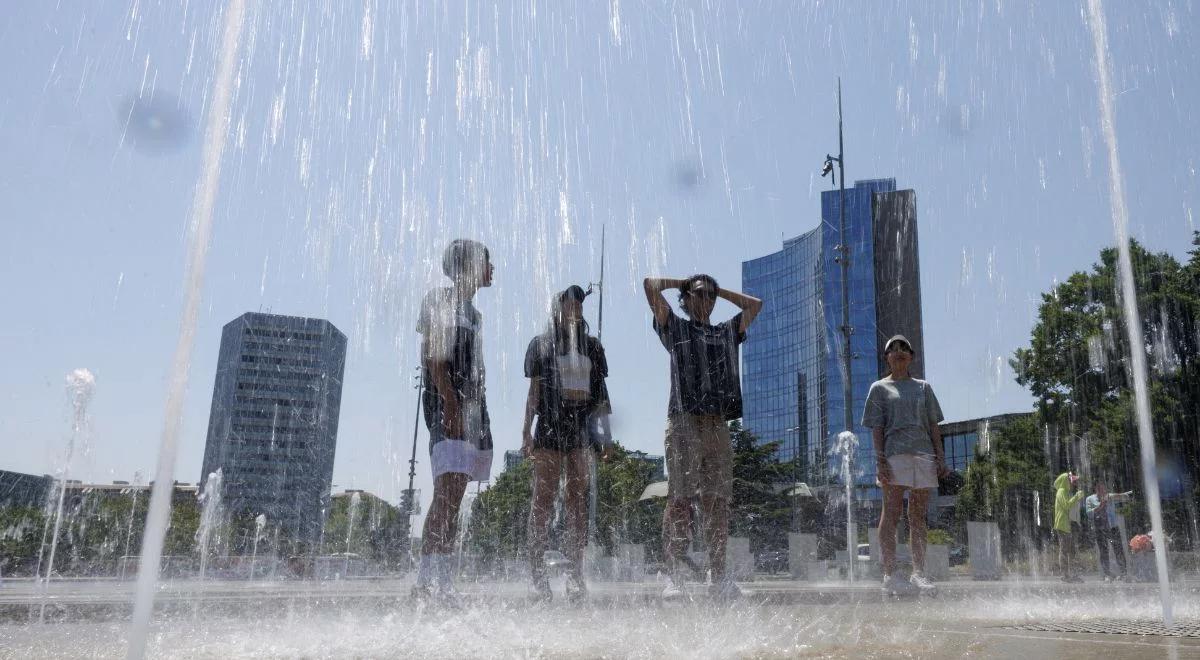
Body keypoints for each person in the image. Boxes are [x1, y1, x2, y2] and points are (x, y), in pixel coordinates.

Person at [643, 274, 762, 602]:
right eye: (699, 294)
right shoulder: (676, 328)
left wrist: (717, 289)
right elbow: (649, 285)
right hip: (683, 420)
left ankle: (718, 575)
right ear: (685, 297)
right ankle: (673, 574)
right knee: (680, 500)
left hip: (717, 423)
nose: (706, 300)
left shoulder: (725, 332)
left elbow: (755, 305)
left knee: (717, 502)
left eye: (710, 296)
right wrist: (685, 281)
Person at [411, 239, 495, 604]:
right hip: (449, 405)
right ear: (470, 265)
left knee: (456, 493)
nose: (492, 270)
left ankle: (440, 579)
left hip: (472, 407)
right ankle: (428, 582)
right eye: (488, 263)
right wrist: (450, 402)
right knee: (445, 495)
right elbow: (433, 354)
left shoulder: (474, 314)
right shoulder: (438, 299)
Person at [522, 285, 612, 603]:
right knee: (543, 499)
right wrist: (526, 433)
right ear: (557, 308)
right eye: (568, 303)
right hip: (549, 424)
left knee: (577, 503)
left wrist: (606, 437)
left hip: (581, 426)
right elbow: (534, 393)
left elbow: (601, 395)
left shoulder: (592, 346)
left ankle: (575, 575)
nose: (575, 308)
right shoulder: (542, 344)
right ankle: (537, 575)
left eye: (579, 304)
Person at [861, 335, 947, 596]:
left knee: (918, 515)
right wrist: (880, 460)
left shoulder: (923, 387)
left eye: (903, 349)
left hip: (923, 454)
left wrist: (940, 457)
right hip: (894, 454)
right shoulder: (879, 388)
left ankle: (919, 572)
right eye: (892, 349)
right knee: (892, 512)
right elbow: (877, 427)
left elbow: (933, 425)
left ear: (911, 356)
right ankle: (890, 572)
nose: (898, 352)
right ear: (886, 357)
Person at [1084, 482, 1131, 581]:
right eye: (1100, 489)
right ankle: (1106, 574)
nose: (1102, 491)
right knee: (1103, 551)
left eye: (1103, 489)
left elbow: (1125, 497)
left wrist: (1122, 495)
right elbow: (1089, 514)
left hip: (1112, 527)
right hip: (1100, 528)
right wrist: (1100, 506)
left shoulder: (1110, 497)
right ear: (1096, 490)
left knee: (1118, 550)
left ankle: (1124, 573)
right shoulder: (1090, 499)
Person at [1053, 471, 1085, 583]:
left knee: (1071, 551)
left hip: (1066, 525)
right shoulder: (1061, 491)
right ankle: (1065, 575)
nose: (1073, 483)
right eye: (1072, 481)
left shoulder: (1065, 492)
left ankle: (1070, 574)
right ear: (1066, 481)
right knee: (1064, 550)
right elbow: (1066, 506)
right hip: (1062, 525)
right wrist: (1076, 497)